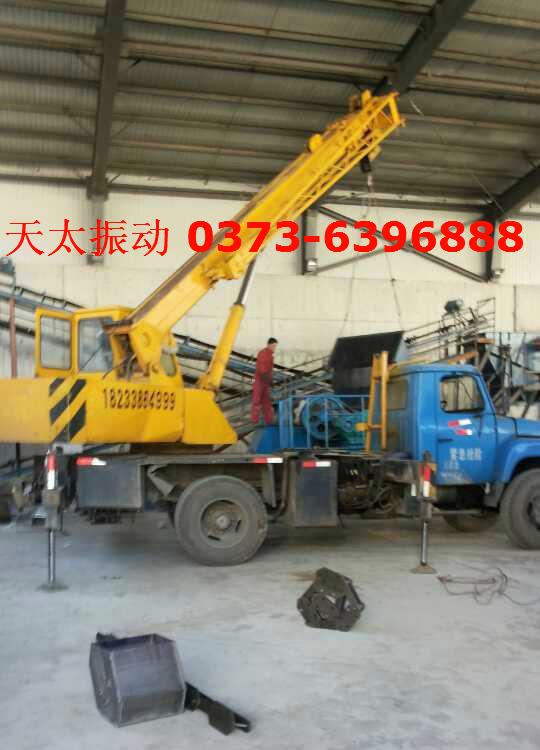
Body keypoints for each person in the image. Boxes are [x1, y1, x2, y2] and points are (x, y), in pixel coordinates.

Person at [251, 337, 277, 425]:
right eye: (273, 346)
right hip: (258, 380)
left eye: (275, 346)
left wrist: (269, 380)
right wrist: (270, 381)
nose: (274, 348)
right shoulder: (263, 353)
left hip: (264, 381)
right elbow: (262, 370)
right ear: (268, 345)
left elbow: (268, 370)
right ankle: (254, 421)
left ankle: (269, 421)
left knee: (266, 402)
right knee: (256, 401)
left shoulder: (270, 355)